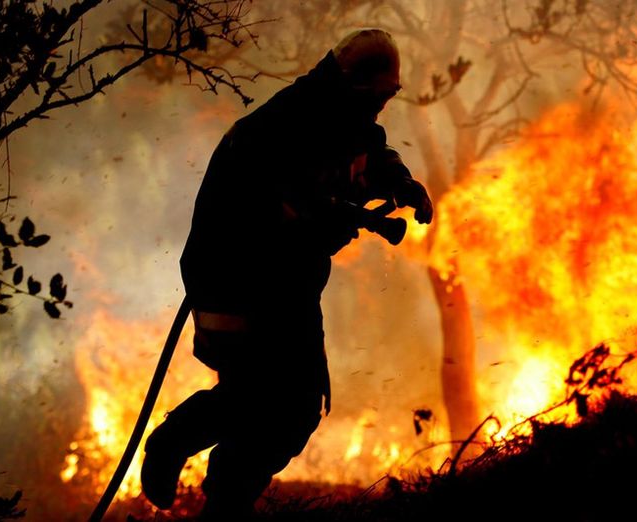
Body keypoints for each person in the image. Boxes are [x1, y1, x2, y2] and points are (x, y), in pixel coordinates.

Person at [140, 28, 433, 520]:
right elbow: (271, 209)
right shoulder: (281, 127)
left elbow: (373, 154)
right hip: (233, 280)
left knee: (291, 407)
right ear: (353, 86)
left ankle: (220, 491)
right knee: (266, 398)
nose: (381, 107)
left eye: (387, 98)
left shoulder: (347, 119)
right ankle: (191, 461)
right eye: (377, 97)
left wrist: (402, 183)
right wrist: (334, 219)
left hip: (288, 284)